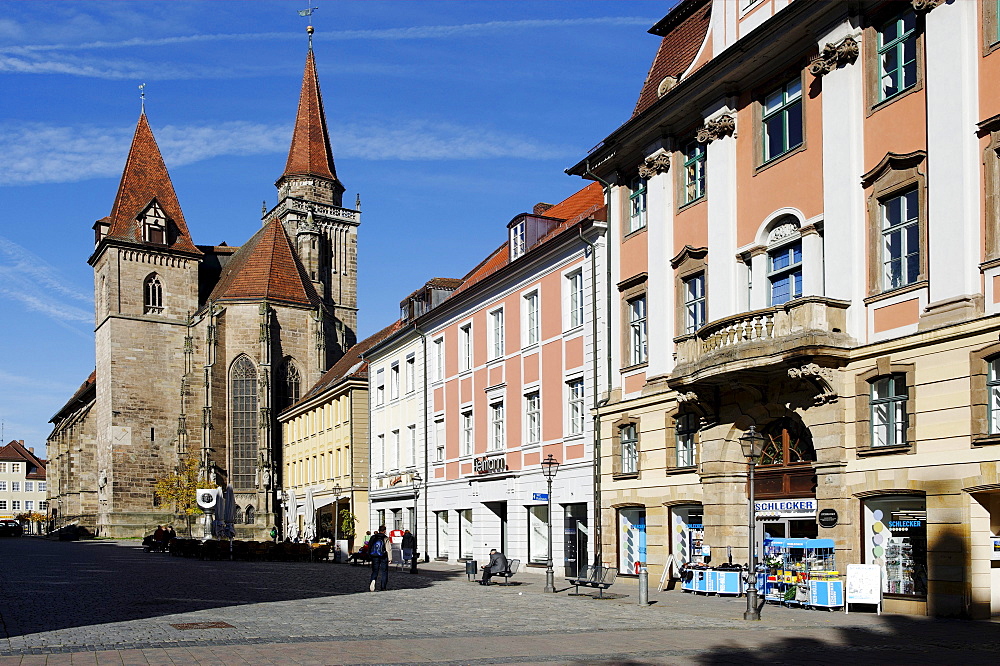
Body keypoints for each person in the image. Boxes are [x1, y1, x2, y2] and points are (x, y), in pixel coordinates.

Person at [368, 525, 390, 591]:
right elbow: (388, 549)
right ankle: (383, 586)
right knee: (384, 571)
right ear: (384, 531)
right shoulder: (385, 538)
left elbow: (370, 546)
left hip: (374, 556)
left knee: (375, 570)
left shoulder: (373, 537)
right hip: (383, 556)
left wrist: (369, 555)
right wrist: (390, 558)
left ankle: (373, 580)